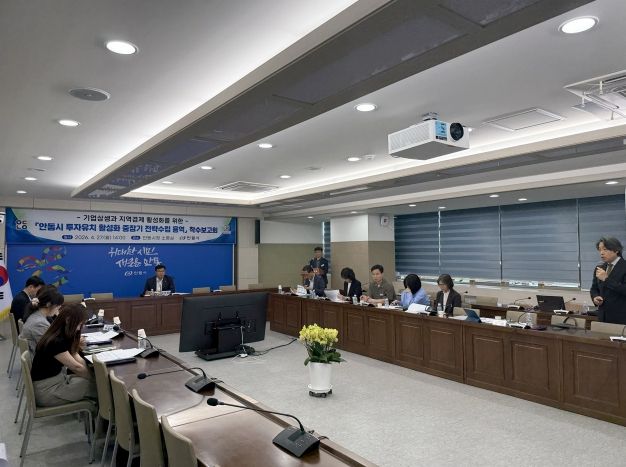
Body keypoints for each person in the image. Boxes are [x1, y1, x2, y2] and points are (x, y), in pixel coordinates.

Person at [30, 303, 97, 408]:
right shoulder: (55, 341)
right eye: (79, 325)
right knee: (98, 388)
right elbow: (76, 367)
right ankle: (104, 415)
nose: (79, 329)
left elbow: (75, 356)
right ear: (68, 320)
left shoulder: (58, 334)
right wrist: (95, 380)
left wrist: (92, 377)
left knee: (90, 382)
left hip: (55, 381)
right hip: (47, 391)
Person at [590, 236, 626, 324]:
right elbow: (594, 288)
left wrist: (606, 279)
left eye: (605, 249)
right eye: (600, 250)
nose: (601, 253)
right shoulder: (600, 268)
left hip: (621, 318)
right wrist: (595, 297)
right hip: (602, 316)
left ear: (616, 250)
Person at [20, 286, 64, 354]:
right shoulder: (39, 323)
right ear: (48, 304)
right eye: (57, 307)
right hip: (40, 357)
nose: (58, 310)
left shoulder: (37, 314)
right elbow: (50, 348)